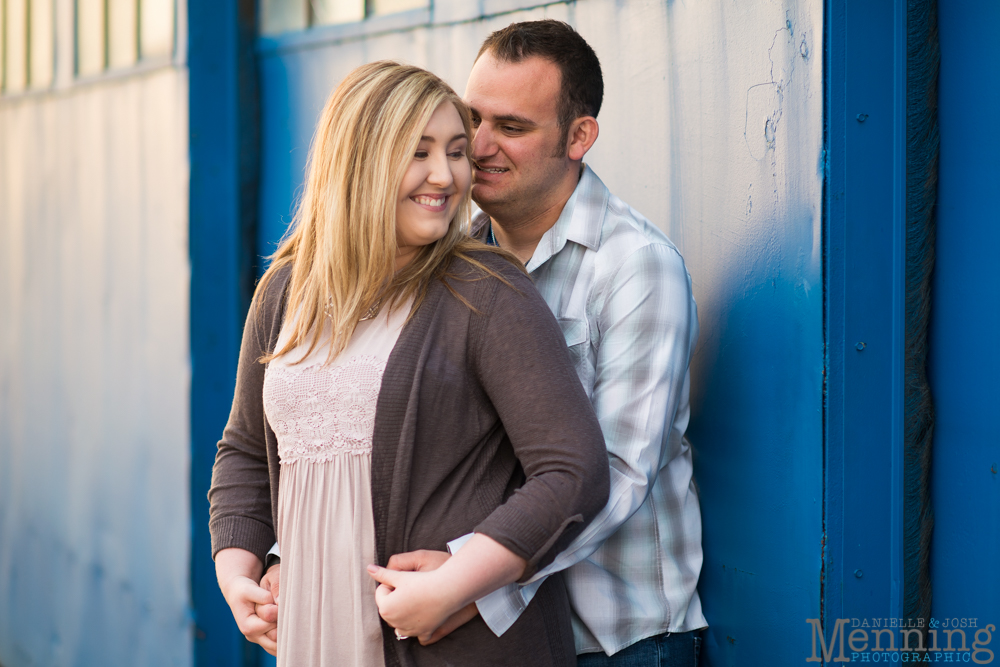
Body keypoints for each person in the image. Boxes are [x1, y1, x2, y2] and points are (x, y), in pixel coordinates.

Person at [207, 60, 609, 667]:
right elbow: (243, 451)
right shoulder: (286, 290)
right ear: (359, 161)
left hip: (447, 644)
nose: (445, 176)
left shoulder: (485, 289)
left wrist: (454, 584)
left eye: (455, 152)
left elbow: (573, 472)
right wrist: (238, 574)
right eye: (418, 153)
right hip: (315, 636)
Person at [390, 20, 708, 666]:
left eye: (511, 127)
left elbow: (617, 472)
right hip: (493, 639)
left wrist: (469, 579)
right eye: (471, 117)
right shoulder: (452, 264)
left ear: (579, 136)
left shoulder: (634, 266)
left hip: (620, 640)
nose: (476, 146)